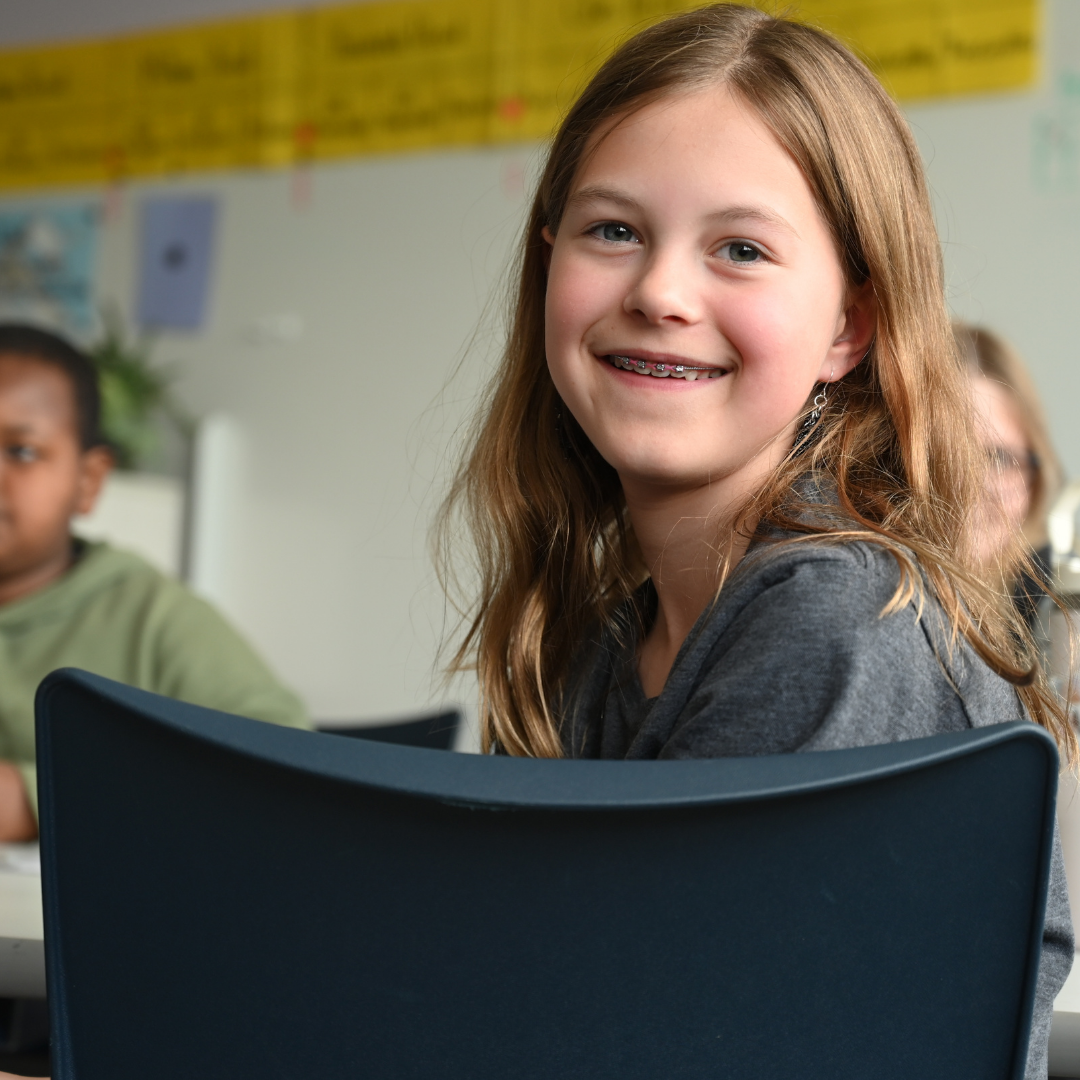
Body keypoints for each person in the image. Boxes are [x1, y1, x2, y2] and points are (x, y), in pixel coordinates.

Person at [436, 5, 1074, 1075]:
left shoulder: (837, 621)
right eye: (612, 231)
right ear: (547, 262)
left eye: (740, 248)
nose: (660, 292)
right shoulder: (600, 639)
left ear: (848, 329)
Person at [0, 323, 309, 844]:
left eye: (22, 452)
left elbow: (285, 763)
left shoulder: (154, 616)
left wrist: (34, 797)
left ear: (88, 481)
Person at [957, 322, 1063, 625]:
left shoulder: (1058, 601)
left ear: (1035, 477)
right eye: (947, 452)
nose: (971, 483)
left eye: (998, 457)